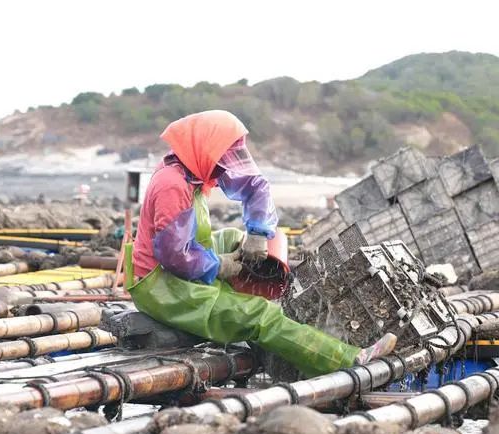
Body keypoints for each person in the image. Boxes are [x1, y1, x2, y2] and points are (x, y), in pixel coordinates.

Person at [125, 110, 396, 377]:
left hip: (176, 266)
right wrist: (218, 266)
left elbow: (254, 184)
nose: (224, 164)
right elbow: (174, 255)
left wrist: (258, 232)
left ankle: (233, 297)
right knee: (261, 316)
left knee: (233, 237)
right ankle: (349, 360)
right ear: (205, 148)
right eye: (222, 154)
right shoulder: (172, 185)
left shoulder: (190, 171)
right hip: (160, 286)